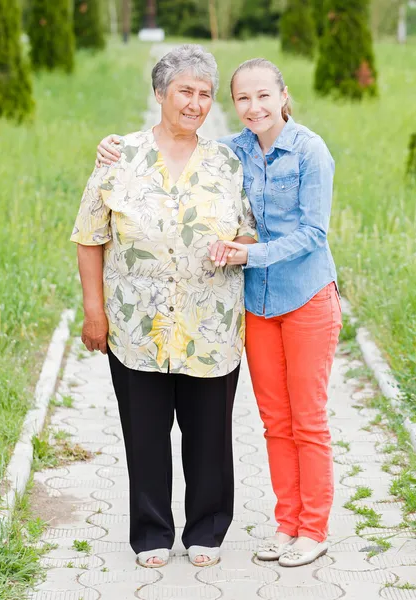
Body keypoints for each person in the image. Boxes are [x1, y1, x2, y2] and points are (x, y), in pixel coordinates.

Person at [96, 56, 342, 568]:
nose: (253, 108)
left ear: (284, 96)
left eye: (263, 97)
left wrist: (249, 253)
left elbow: (315, 234)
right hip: (257, 304)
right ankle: (285, 525)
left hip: (305, 297)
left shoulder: (310, 151)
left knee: (308, 420)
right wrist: (113, 148)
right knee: (275, 421)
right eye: (242, 99)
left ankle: (312, 529)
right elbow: (184, 148)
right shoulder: (236, 150)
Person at [71, 44, 257, 569]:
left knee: (211, 437)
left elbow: (249, 229)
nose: (196, 103)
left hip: (211, 323)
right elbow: (90, 236)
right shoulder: (119, 157)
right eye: (185, 92)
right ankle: (151, 531)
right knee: (145, 435)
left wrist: (237, 246)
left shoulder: (227, 161)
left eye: (204, 94)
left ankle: (207, 529)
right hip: (136, 325)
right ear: (159, 94)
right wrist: (95, 311)